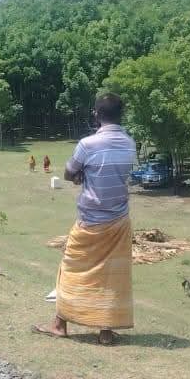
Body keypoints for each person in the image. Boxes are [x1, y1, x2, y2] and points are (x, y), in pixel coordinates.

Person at [34, 94, 136, 346]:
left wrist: (81, 175)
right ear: (120, 115)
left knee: (71, 267)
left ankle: (59, 324)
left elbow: (69, 173)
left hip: (90, 220)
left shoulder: (87, 144)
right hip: (119, 219)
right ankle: (106, 331)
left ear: (96, 115)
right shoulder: (130, 143)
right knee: (112, 275)